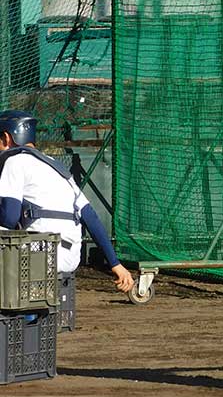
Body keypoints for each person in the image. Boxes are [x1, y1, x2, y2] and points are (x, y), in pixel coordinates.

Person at [0, 110, 135, 297]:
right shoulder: (55, 166)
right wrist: (115, 264)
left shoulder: (14, 162)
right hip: (69, 257)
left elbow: (8, 217)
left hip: (41, 254)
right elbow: (90, 216)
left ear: (6, 138)